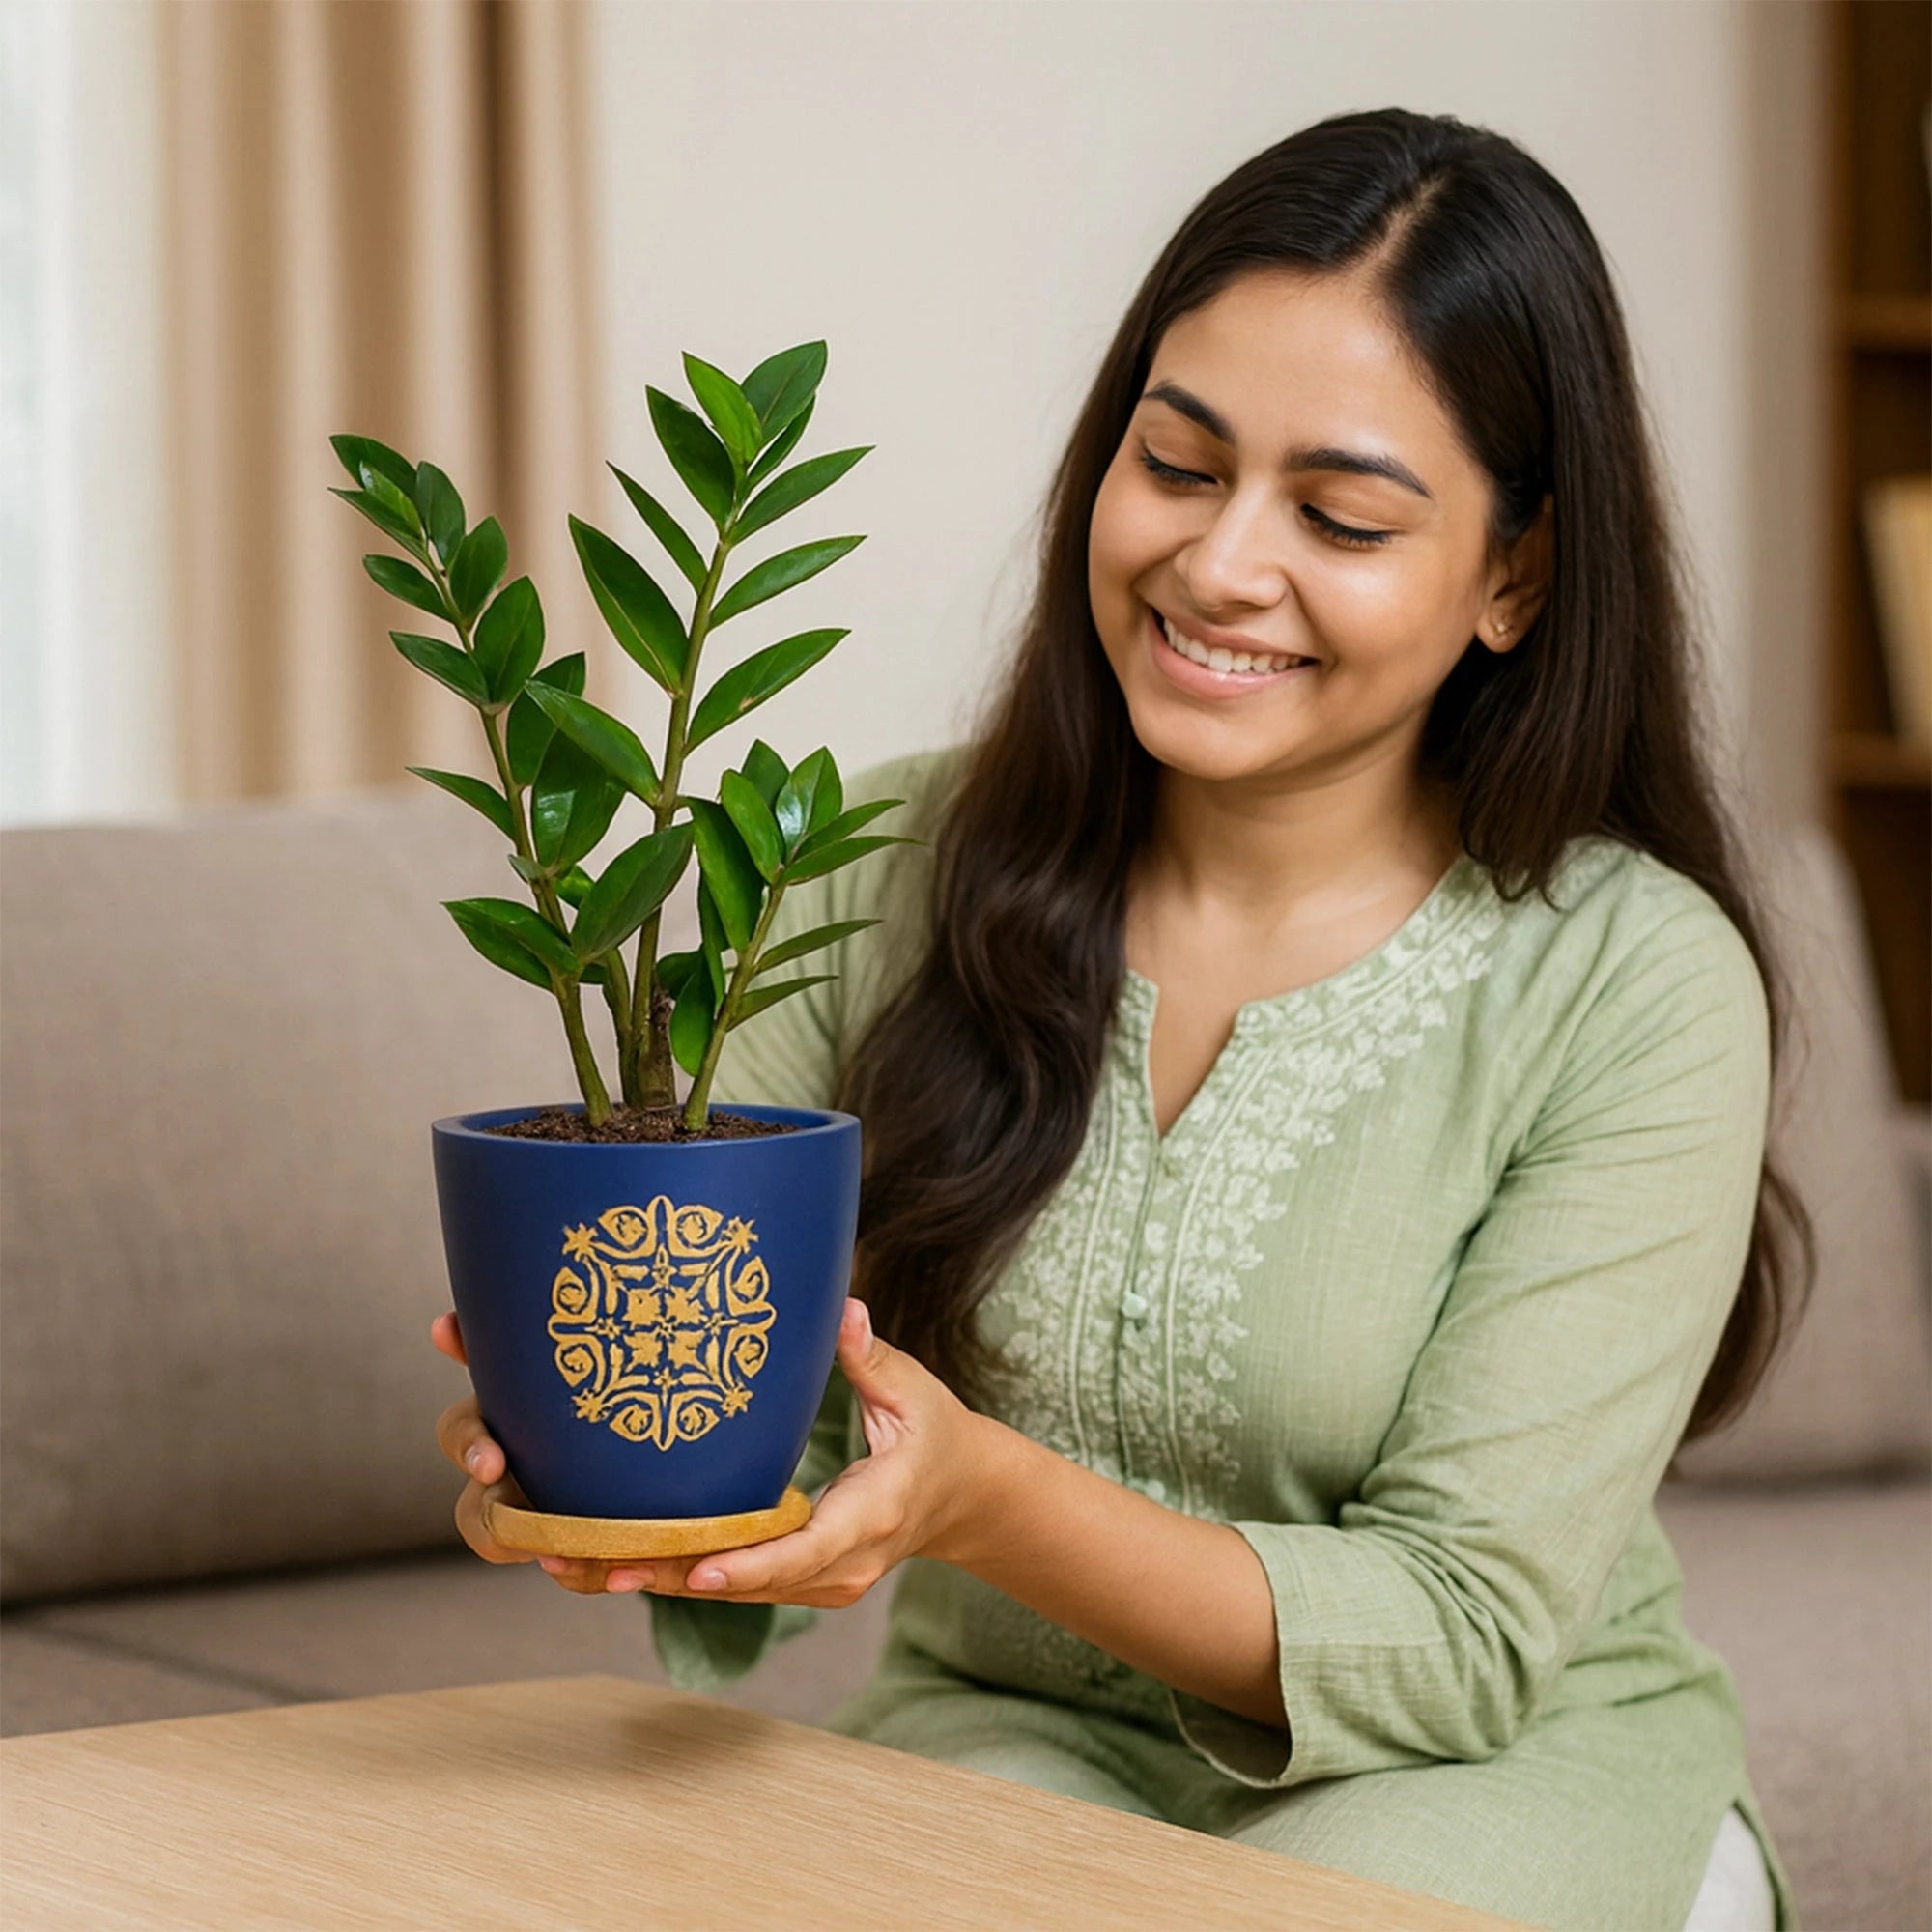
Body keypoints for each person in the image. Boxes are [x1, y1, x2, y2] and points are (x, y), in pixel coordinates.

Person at [431, 109, 1810, 1932]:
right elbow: (786, 1446)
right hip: (1001, 1739)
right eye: (1178, 465)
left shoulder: (1631, 983)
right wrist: (610, 1459)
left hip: (1491, 1781)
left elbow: (1467, 1637)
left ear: (1515, 577)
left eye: (1339, 515)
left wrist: (979, 1500)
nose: (1221, 567)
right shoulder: (854, 867)